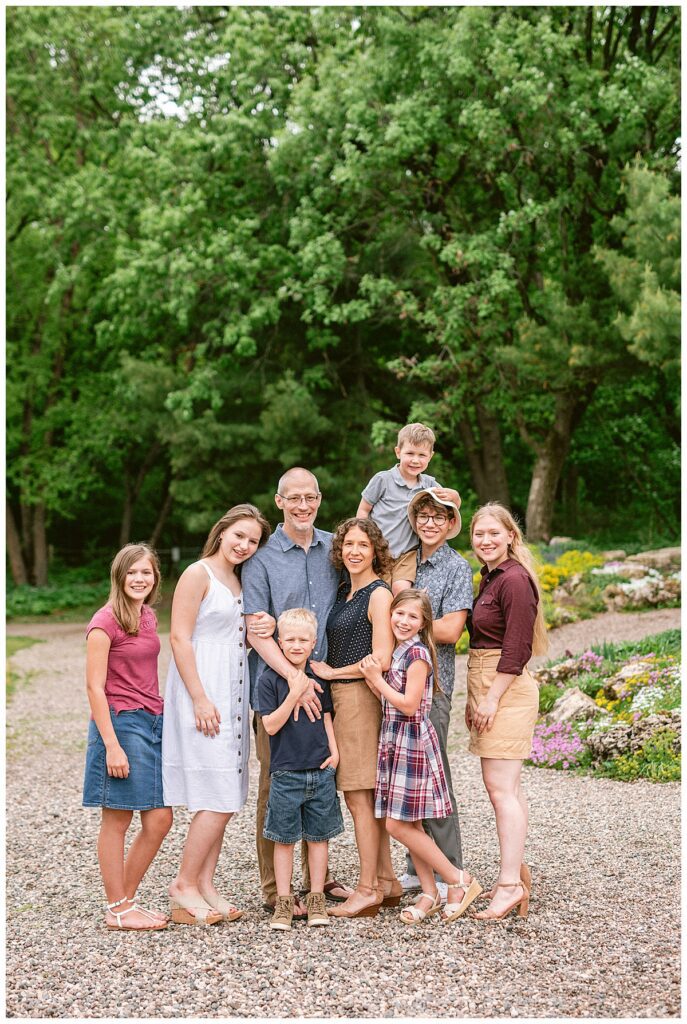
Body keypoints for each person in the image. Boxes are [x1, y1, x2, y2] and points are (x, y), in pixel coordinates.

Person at [241, 468, 352, 916]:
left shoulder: (335, 550)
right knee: (277, 784)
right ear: (279, 502)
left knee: (321, 780)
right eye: (294, 498)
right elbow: (256, 632)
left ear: (319, 499)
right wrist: (294, 678)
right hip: (277, 689)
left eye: (310, 497)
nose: (303, 505)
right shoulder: (262, 559)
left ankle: (316, 884)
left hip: (325, 688)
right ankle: (276, 890)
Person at [162, 504, 272, 925]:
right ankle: (183, 885)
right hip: (203, 689)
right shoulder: (198, 573)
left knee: (225, 792)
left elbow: (236, 638)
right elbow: (179, 637)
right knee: (217, 794)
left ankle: (205, 885)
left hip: (232, 688)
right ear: (222, 530)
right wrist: (199, 697)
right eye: (239, 535)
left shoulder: (239, 580)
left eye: (253, 541)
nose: (244, 545)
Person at [361, 590, 482, 925]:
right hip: (395, 738)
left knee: (396, 824)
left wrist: (375, 679)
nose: (403, 621)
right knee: (411, 823)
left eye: (412, 617)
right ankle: (430, 893)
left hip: (411, 740)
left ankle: (457, 879)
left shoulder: (417, 654)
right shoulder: (397, 651)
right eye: (399, 613)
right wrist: (374, 680)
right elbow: (389, 697)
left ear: (423, 623)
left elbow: (409, 704)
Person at [82, 543, 172, 931]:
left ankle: (125, 902)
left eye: (146, 572)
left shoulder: (147, 615)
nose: (139, 579)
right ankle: (118, 908)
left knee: (160, 819)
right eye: (132, 572)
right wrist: (112, 746)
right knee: (117, 818)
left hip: (152, 721)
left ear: (155, 577)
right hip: (121, 725)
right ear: (119, 577)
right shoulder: (104, 622)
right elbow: (94, 687)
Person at [310, 517, 396, 918]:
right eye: (348, 545)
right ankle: (387, 881)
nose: (355, 551)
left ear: (375, 550)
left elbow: (381, 659)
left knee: (359, 796)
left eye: (363, 544)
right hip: (343, 698)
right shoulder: (346, 591)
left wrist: (332, 672)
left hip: (360, 697)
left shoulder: (379, 594)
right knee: (364, 797)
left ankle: (366, 890)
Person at [466, 503, 548, 921]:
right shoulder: (492, 575)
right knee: (508, 789)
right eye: (479, 534)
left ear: (511, 536)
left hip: (505, 686)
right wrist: (476, 694)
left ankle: (509, 884)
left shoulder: (514, 579)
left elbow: (517, 649)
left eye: (494, 533)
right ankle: (516, 874)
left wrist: (491, 697)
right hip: (489, 681)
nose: (485, 540)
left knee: (500, 790)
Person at [400, 489, 474, 920]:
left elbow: (450, 630)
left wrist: (405, 621)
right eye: (423, 516)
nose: (430, 523)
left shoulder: (456, 567)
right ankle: (418, 869)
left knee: (434, 778)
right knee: (408, 780)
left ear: (449, 524)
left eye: (438, 517)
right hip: (398, 689)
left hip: (434, 688)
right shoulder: (404, 561)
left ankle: (452, 872)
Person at [258, 608, 344, 930]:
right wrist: (294, 693)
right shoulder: (269, 679)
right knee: (284, 839)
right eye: (290, 640)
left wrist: (334, 753)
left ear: (313, 643)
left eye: (303, 640)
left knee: (318, 838)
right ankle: (284, 901)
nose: (296, 645)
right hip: (286, 773)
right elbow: (270, 725)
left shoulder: (319, 677)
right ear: (279, 642)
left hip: (320, 769)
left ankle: (316, 898)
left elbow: (326, 716)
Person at [356, 422, 461, 594]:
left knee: (401, 589)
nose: (415, 460)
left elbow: (451, 507)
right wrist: (362, 537)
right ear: (398, 452)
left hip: (407, 553)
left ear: (430, 457)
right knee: (378, 592)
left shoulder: (429, 484)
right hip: (379, 550)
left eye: (422, 455)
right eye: (410, 453)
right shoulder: (383, 480)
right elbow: (364, 509)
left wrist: (455, 496)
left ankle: (405, 610)